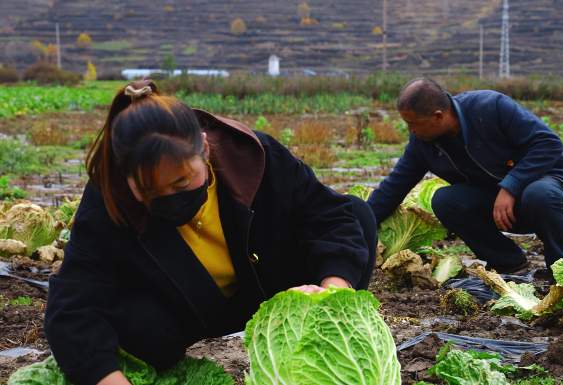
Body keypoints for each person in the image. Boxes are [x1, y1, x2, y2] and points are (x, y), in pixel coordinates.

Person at [44, 80, 377, 385]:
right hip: (187, 308)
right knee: (137, 328)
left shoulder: (254, 156)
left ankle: (318, 350)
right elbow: (72, 304)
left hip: (272, 287)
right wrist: (107, 379)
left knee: (358, 217)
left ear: (204, 149)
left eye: (181, 181)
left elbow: (330, 215)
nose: (171, 197)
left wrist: (333, 290)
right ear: (125, 175)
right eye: (150, 192)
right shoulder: (109, 198)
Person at [367, 78, 563, 273]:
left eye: (413, 124)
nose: (410, 130)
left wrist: (511, 186)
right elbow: (393, 188)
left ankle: (562, 269)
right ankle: (509, 263)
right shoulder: (423, 143)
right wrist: (359, 224)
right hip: (501, 209)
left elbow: (549, 143)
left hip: (548, 197)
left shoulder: (490, 107)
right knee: (445, 200)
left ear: (437, 116)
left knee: (540, 192)